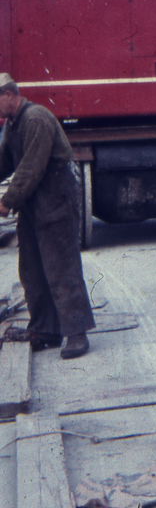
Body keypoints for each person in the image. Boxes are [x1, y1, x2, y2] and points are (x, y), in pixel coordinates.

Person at [0, 75, 95, 358]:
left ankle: (77, 334)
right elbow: (5, 162)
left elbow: (30, 169)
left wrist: (6, 202)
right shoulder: (12, 124)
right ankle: (45, 329)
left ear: (8, 95)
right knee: (31, 268)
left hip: (56, 199)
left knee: (62, 267)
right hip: (34, 204)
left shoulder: (36, 119)